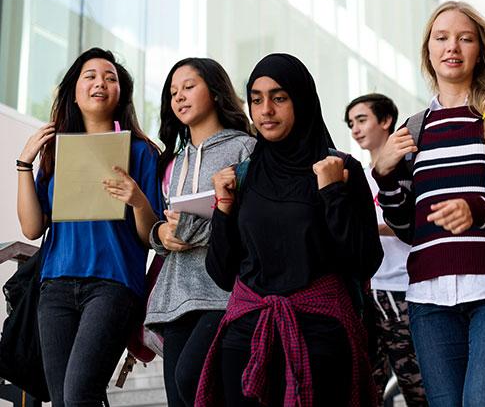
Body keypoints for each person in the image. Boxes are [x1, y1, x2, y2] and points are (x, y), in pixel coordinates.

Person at [373, 1, 485, 407]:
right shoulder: (413, 130)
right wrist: (385, 174)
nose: (452, 47)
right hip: (429, 297)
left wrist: (477, 209)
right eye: (442, 38)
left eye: (464, 39)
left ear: (479, 51)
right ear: (428, 51)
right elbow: (408, 227)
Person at [196, 53, 383, 406]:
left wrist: (332, 193)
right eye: (256, 100)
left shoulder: (341, 169)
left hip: (320, 338)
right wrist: (223, 207)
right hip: (246, 336)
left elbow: (364, 261)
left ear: (302, 100)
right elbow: (221, 272)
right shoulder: (243, 175)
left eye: (279, 98)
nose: (266, 110)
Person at [16, 47, 164, 406]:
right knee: (63, 400)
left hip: (113, 286)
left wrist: (137, 199)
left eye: (111, 78)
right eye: (91, 76)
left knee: (79, 394)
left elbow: (151, 236)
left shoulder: (142, 152)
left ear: (120, 94)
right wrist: (24, 164)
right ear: (74, 91)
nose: (101, 83)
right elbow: (32, 229)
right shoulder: (55, 151)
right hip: (55, 287)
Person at [145, 57, 255, 406]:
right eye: (173, 92)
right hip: (176, 297)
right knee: (179, 397)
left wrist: (189, 229)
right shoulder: (175, 161)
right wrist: (161, 234)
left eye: (189, 87)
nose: (179, 96)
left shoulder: (245, 148)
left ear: (216, 92)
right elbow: (165, 226)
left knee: (192, 379)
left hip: (223, 293)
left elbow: (250, 226)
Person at [345, 93, 428, 406]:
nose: (355, 129)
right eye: (351, 124)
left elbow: (414, 223)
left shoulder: (408, 167)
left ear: (386, 121)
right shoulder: (356, 176)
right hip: (368, 294)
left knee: (417, 387)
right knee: (370, 388)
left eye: (361, 120)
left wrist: (368, 228)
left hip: (404, 290)